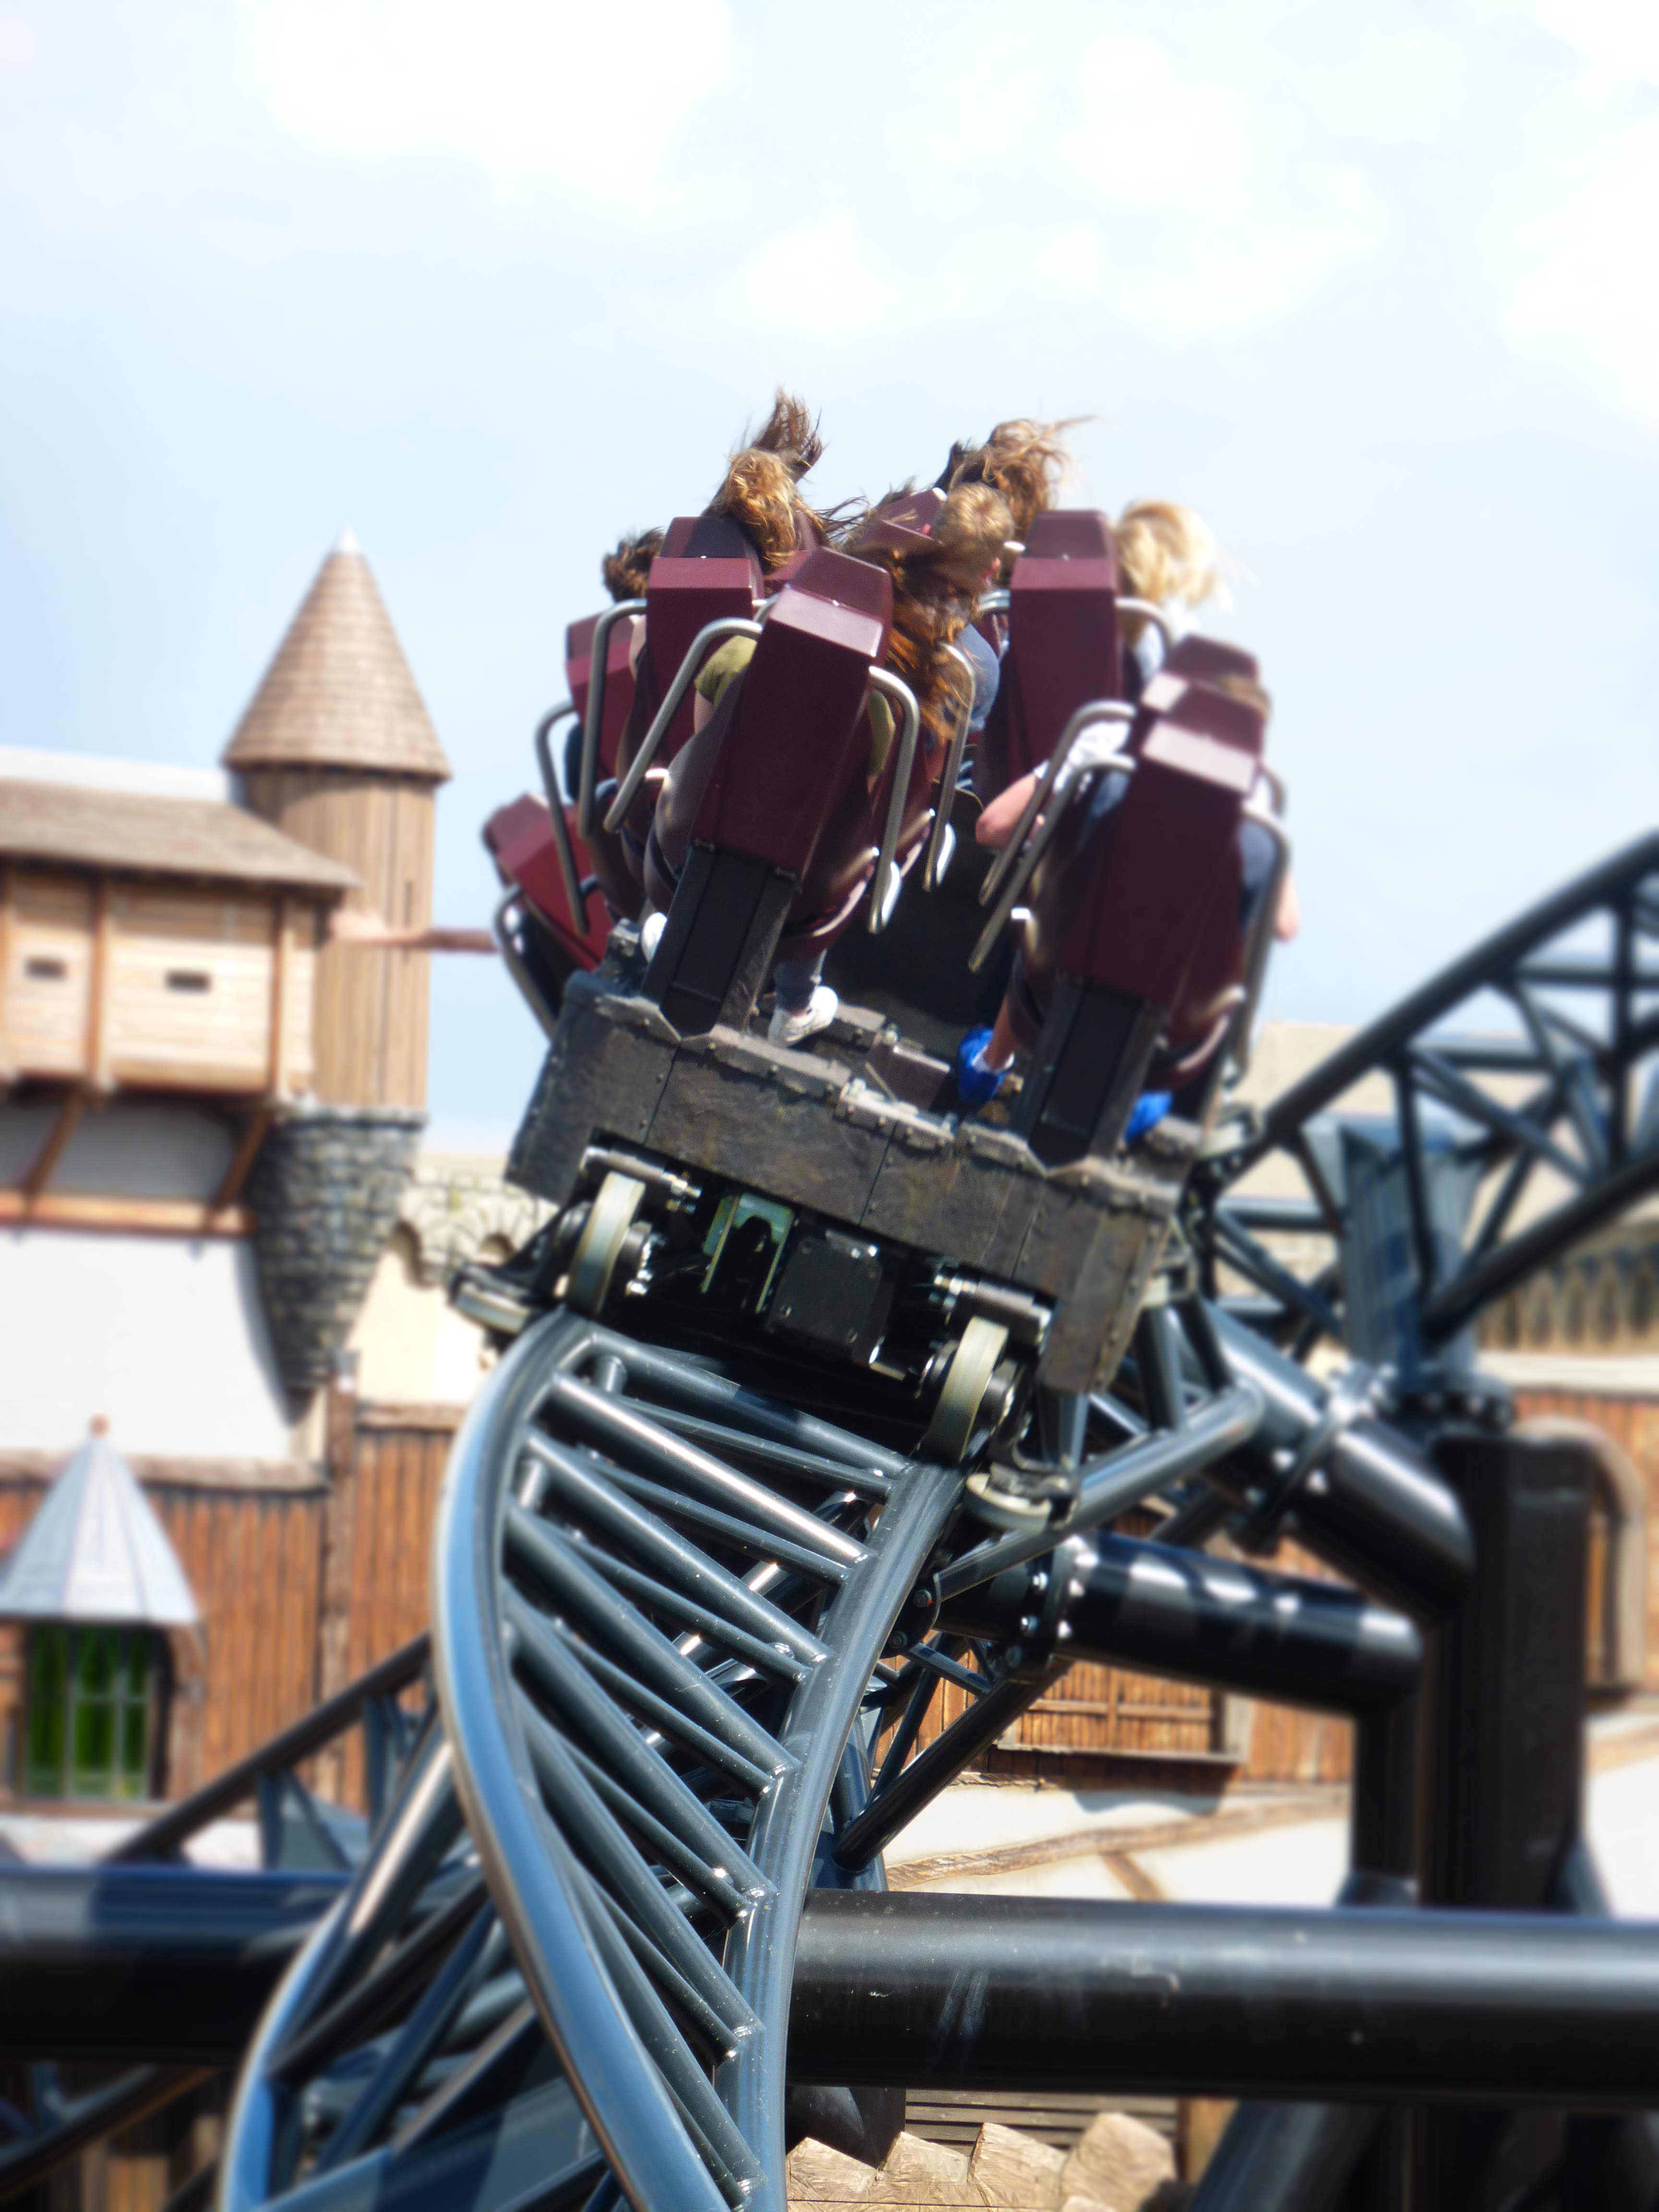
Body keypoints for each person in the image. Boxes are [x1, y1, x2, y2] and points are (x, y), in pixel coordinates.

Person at [645, 479, 1015, 1046]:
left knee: (737, 681)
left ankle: (679, 919)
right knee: (856, 831)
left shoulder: (841, 585)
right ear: (989, 572)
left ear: (925, 535)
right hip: (826, 869)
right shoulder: (975, 669)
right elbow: (924, 782)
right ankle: (796, 1001)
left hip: (722, 804)